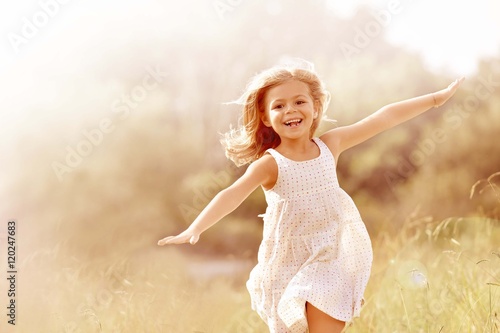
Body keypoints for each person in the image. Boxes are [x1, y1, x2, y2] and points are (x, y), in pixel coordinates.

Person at [158, 60, 464, 333]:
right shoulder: (270, 164)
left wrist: (436, 99)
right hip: (287, 262)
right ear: (265, 118)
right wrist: (195, 228)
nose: (290, 110)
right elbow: (232, 193)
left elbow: (383, 118)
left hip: (330, 254)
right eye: (279, 106)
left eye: (299, 101)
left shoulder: (331, 145)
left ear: (315, 107)